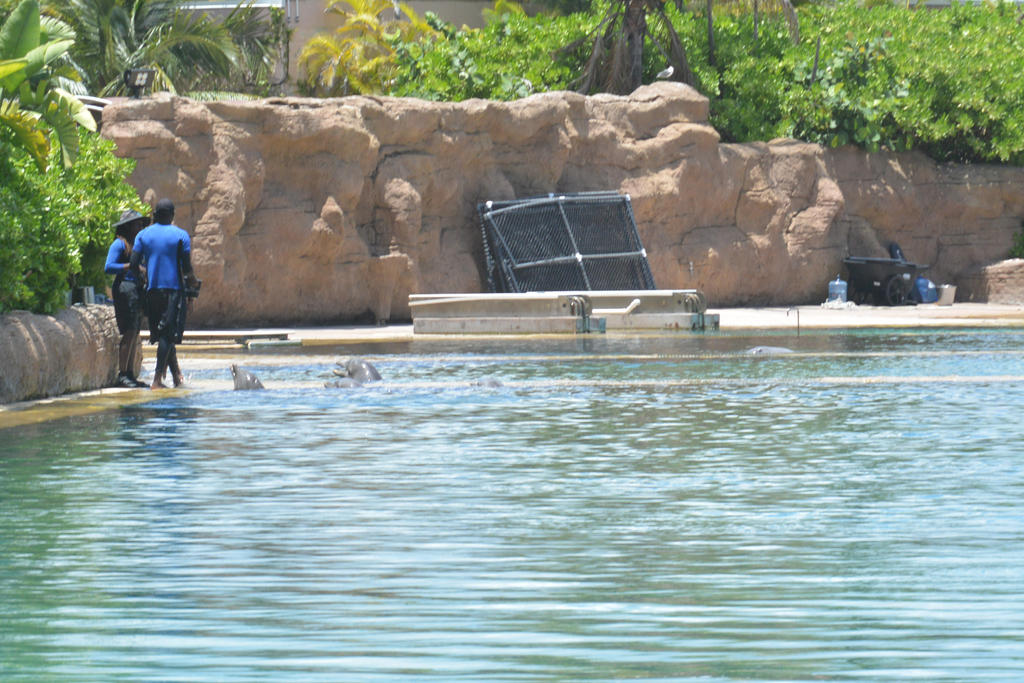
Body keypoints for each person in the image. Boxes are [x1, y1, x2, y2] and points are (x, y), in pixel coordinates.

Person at [130, 198, 200, 390]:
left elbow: (134, 264)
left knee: (163, 334)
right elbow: (186, 268)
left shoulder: (143, 235)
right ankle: (157, 379)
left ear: (154, 215)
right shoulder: (181, 235)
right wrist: (193, 282)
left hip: (151, 291)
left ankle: (177, 376)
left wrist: (144, 279)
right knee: (168, 334)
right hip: (173, 291)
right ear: (172, 215)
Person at [105, 209, 150, 388]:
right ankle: (123, 374)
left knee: (135, 332)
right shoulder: (119, 244)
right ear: (129, 226)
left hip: (136, 289)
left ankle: (130, 373)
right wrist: (131, 266)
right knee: (129, 331)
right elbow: (108, 267)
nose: (140, 227)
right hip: (124, 289)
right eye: (137, 224)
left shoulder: (137, 245)